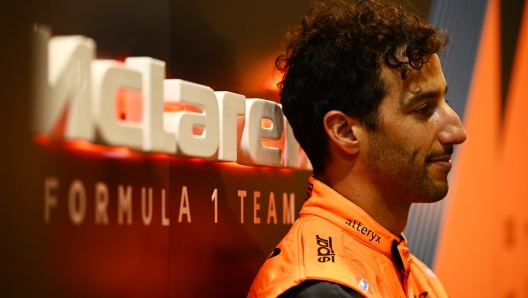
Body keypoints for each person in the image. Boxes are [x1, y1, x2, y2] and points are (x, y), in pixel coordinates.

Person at [247, 0, 466, 297]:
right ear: (345, 131)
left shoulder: (414, 272)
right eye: (424, 108)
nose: (457, 132)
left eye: (445, 103)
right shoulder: (321, 289)